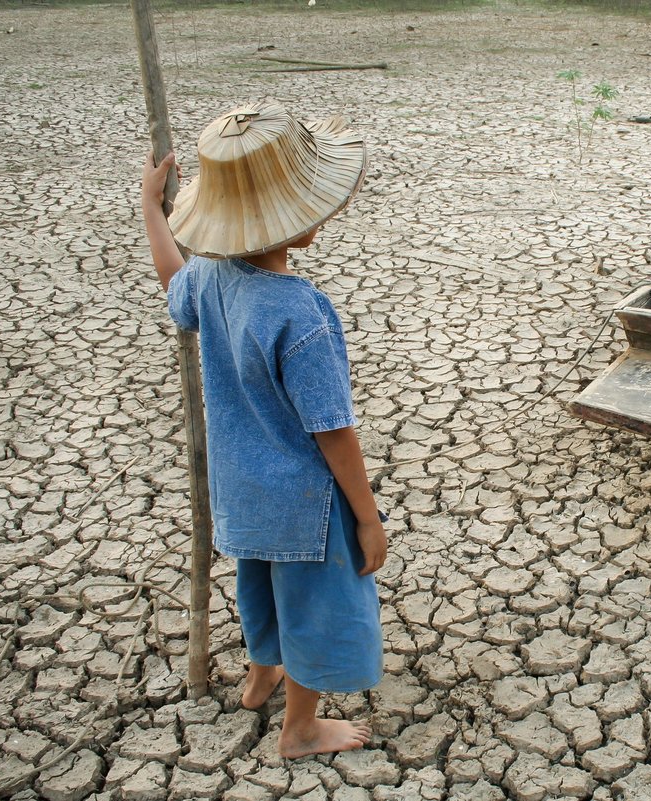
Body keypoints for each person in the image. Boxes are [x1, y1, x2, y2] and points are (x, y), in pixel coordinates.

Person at [140, 102, 386, 758]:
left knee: (260, 586)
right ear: (300, 217)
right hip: (303, 502)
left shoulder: (212, 278)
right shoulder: (300, 313)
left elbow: (173, 281)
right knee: (312, 605)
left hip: (240, 490)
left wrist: (151, 210)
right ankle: (300, 727)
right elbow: (333, 430)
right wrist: (366, 515)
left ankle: (259, 677)